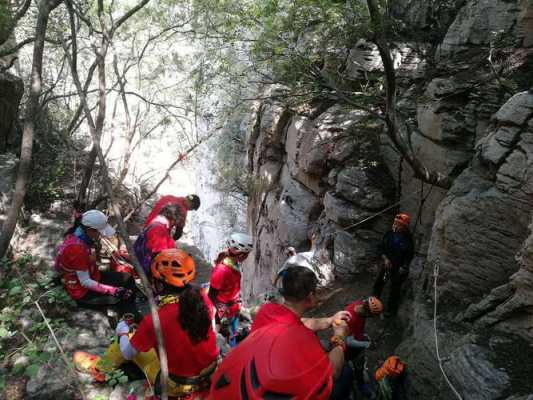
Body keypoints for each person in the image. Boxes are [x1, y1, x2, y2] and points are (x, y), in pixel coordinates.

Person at [74, 248, 219, 399]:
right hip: (209, 374)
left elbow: (128, 352)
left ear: (160, 285)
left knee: (128, 338)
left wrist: (123, 331)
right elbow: (212, 315)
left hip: (177, 384)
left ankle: (100, 369)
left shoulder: (157, 320)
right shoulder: (202, 297)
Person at [251, 260, 353, 399]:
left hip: (258, 378)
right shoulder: (304, 339)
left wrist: (329, 320)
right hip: (278, 389)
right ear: (310, 297)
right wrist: (339, 337)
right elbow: (333, 372)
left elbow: (302, 322)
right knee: (345, 372)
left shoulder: (267, 310)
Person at [55, 209, 138, 318]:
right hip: (83, 291)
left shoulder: (80, 235)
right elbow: (85, 282)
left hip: (94, 276)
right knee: (121, 298)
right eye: (100, 231)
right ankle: (130, 318)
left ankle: (131, 306)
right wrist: (113, 291)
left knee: (128, 278)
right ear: (90, 230)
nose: (101, 235)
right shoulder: (77, 249)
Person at [207, 232, 253, 347]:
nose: (247, 257)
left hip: (232, 308)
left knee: (233, 333)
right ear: (240, 254)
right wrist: (216, 319)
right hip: (224, 311)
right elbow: (211, 296)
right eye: (247, 254)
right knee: (229, 338)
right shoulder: (222, 270)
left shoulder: (232, 263)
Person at [372, 213, 414, 316]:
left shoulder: (408, 240)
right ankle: (373, 302)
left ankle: (391, 310)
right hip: (387, 264)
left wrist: (404, 267)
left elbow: (409, 256)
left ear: (404, 227)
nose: (395, 225)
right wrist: (385, 259)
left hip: (398, 267)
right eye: (395, 223)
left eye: (398, 224)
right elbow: (380, 248)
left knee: (394, 289)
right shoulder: (389, 234)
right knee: (379, 283)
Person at [345, 296, 384, 399]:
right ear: (367, 313)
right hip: (347, 349)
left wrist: (363, 336)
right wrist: (367, 345)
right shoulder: (350, 317)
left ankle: (360, 383)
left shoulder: (360, 305)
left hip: (358, 341)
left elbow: (358, 328)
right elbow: (348, 341)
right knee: (348, 369)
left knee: (359, 366)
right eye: (370, 316)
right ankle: (352, 388)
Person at [134, 203, 182, 275]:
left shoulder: (157, 225)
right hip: (147, 270)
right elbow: (160, 256)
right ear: (173, 219)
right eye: (175, 222)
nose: (174, 225)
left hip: (143, 265)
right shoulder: (159, 229)